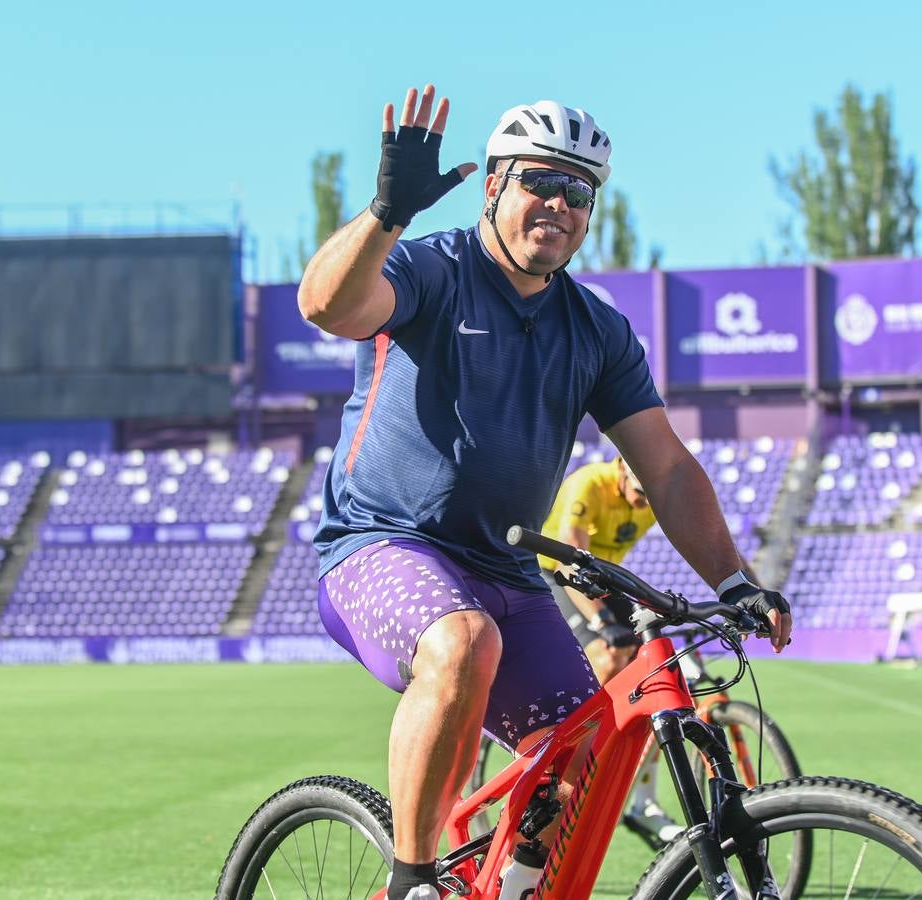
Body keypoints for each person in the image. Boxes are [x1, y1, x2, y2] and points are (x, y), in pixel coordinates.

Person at [300, 84, 792, 900]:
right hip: (379, 545)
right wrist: (388, 213)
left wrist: (735, 581)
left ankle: (520, 885)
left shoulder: (596, 331)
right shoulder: (433, 267)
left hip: (508, 573)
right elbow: (326, 304)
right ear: (494, 185)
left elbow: (665, 467)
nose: (559, 204)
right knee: (462, 646)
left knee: (589, 746)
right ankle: (412, 882)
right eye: (540, 182)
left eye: (579, 191)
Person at [539, 453, 761, 843]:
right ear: (622, 467)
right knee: (610, 656)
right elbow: (571, 549)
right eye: (639, 493)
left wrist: (750, 591)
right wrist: (602, 622)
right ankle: (566, 760)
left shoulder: (652, 493)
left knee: (660, 671)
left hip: (606, 578)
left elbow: (707, 534)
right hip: (556, 573)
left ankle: (640, 800)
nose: (644, 503)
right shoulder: (589, 483)